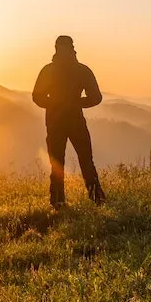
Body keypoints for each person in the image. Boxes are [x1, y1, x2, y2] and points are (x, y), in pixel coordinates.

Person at [32, 35, 105, 208]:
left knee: (57, 162)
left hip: (55, 121)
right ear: (73, 48)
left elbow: (37, 97)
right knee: (86, 160)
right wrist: (76, 103)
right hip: (75, 120)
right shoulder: (81, 70)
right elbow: (96, 97)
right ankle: (97, 199)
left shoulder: (48, 70)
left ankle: (58, 201)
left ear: (56, 48)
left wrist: (54, 103)